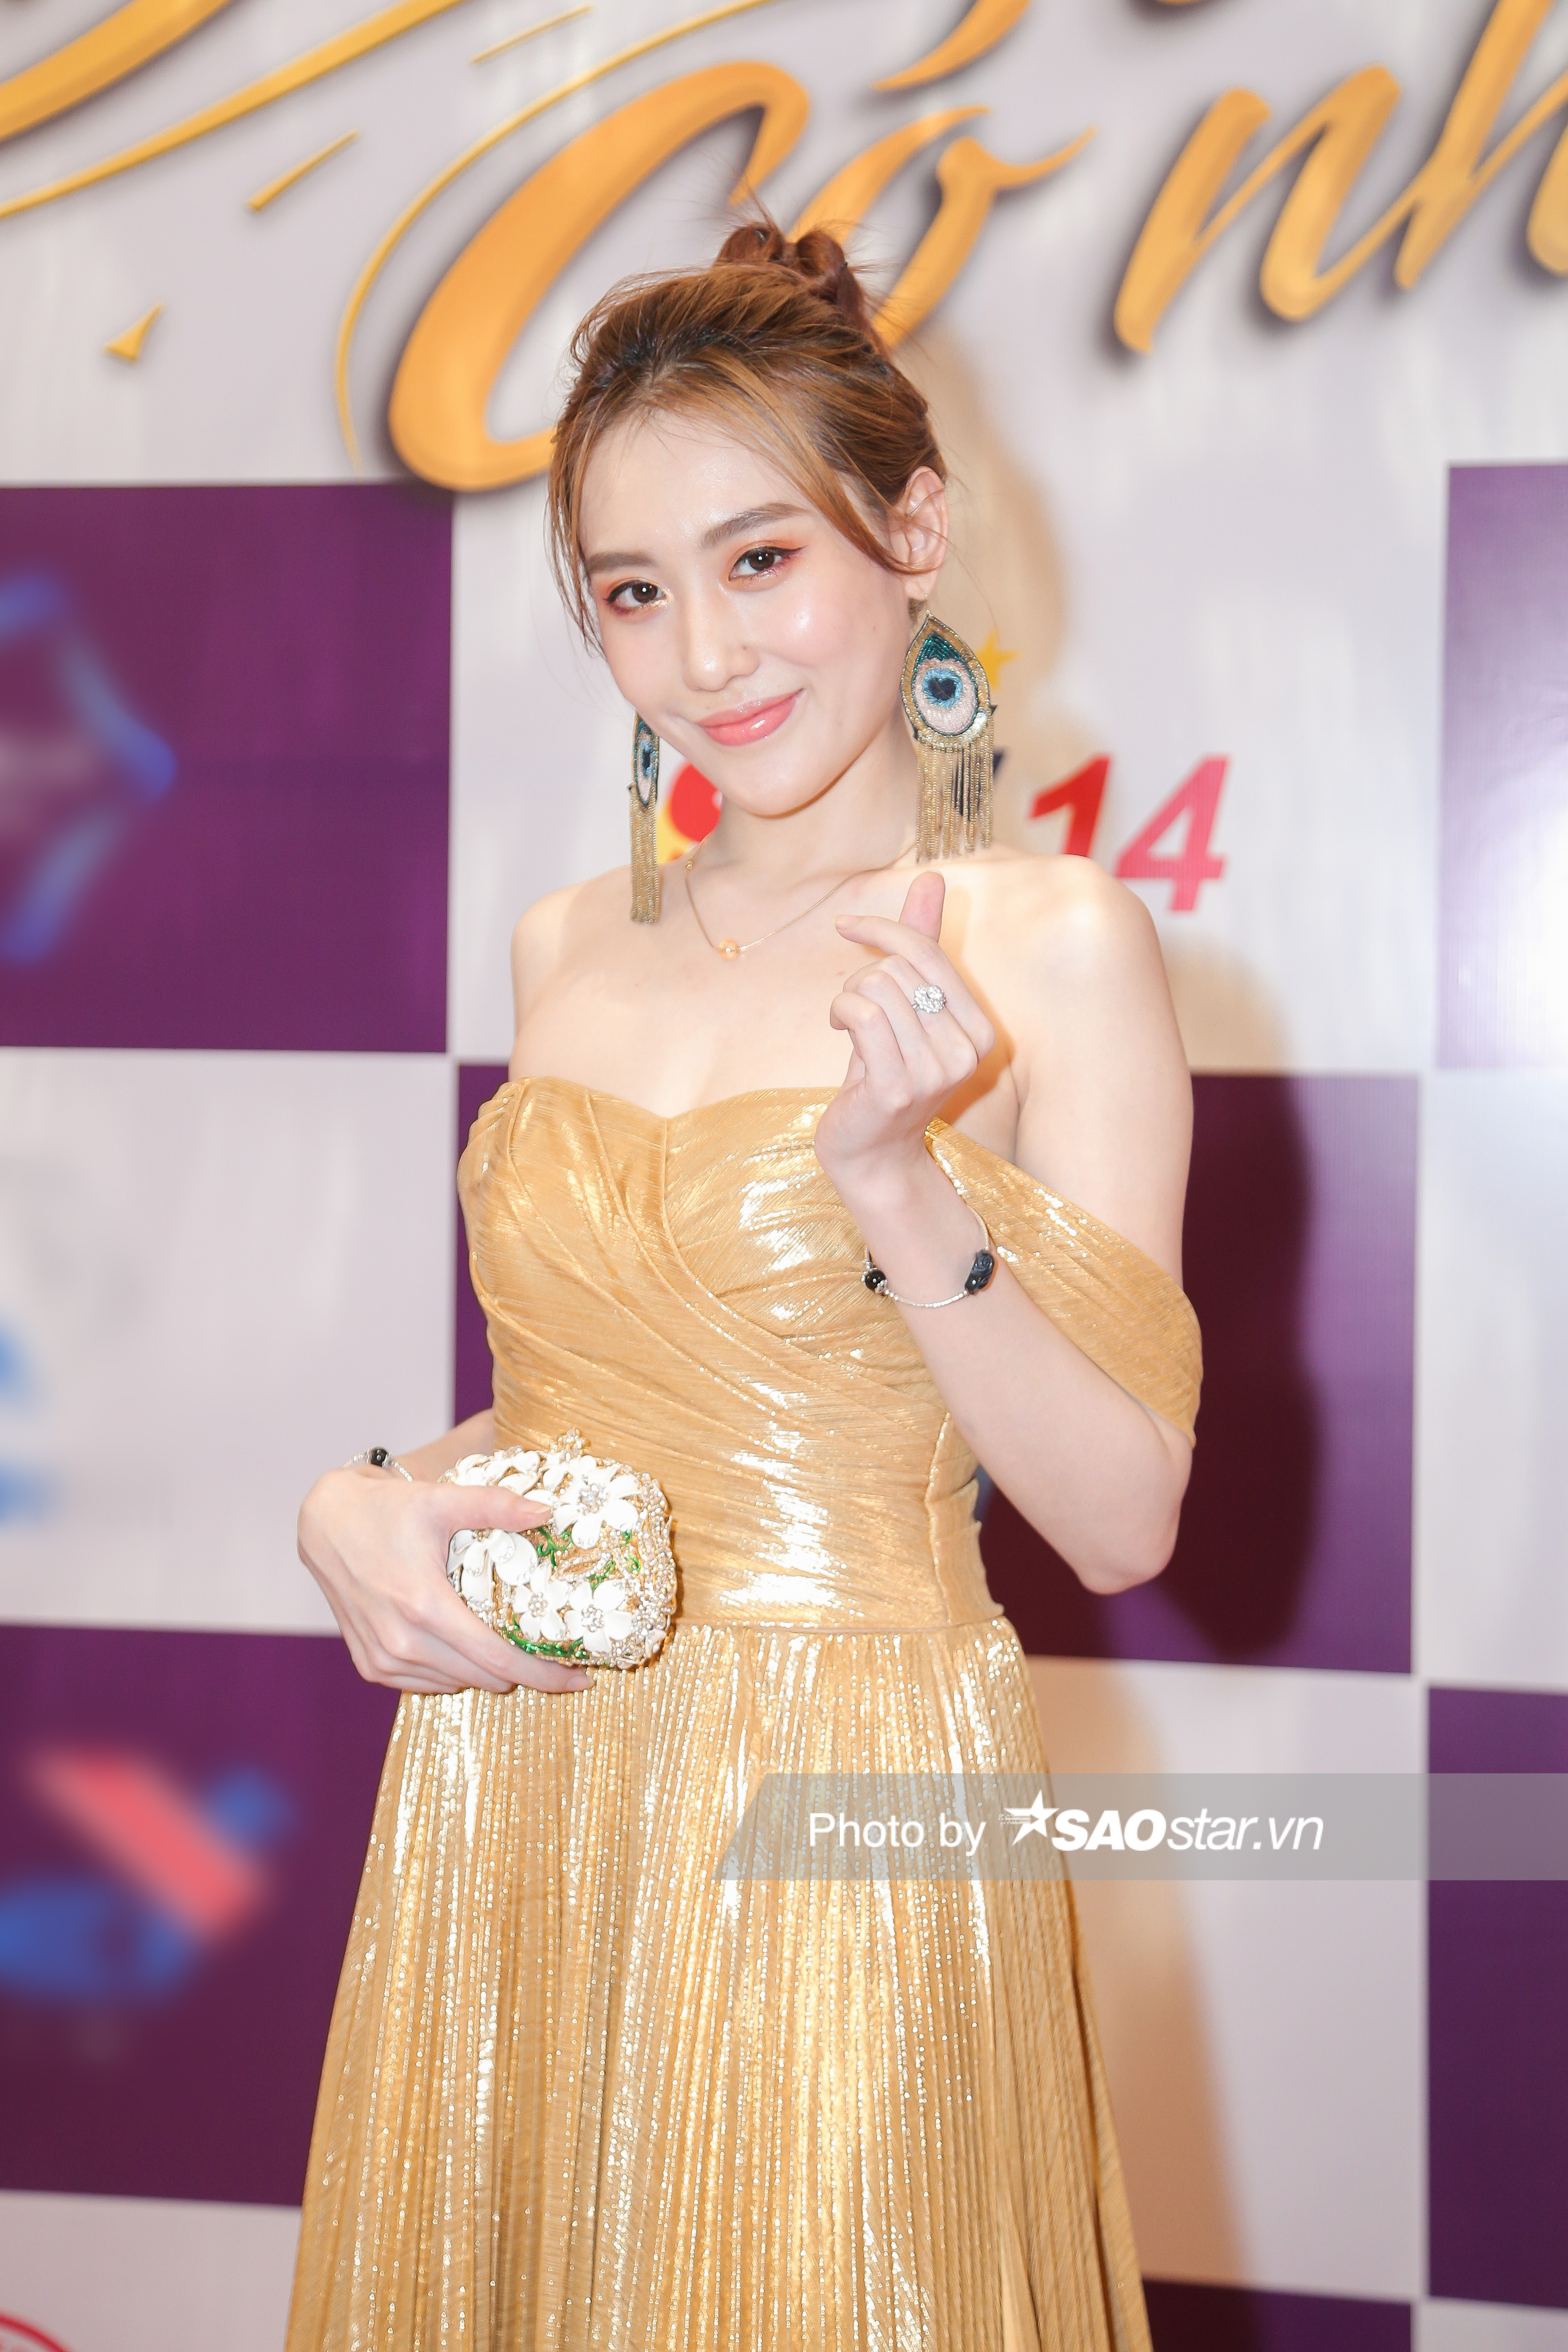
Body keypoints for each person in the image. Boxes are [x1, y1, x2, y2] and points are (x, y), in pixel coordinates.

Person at [285, 218, 1200, 2352]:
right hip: (520, 1796)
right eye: (631, 591)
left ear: (914, 533)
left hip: (849, 1815)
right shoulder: (563, 943)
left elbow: (1122, 1516)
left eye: (760, 559)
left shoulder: (1055, 941)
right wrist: (361, 1498)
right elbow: (604, 1409)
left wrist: (896, 1185)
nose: (703, 655)